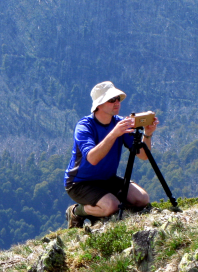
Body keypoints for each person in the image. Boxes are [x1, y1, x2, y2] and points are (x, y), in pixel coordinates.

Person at [63, 81, 158, 227]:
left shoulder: (120, 123)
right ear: (99, 105)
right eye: (111, 100)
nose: (117, 103)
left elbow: (143, 156)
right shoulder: (84, 127)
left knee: (142, 199)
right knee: (111, 207)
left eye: (118, 99)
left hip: (107, 179)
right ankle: (76, 211)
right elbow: (92, 159)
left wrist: (148, 135)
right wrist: (114, 134)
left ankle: (105, 208)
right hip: (80, 183)